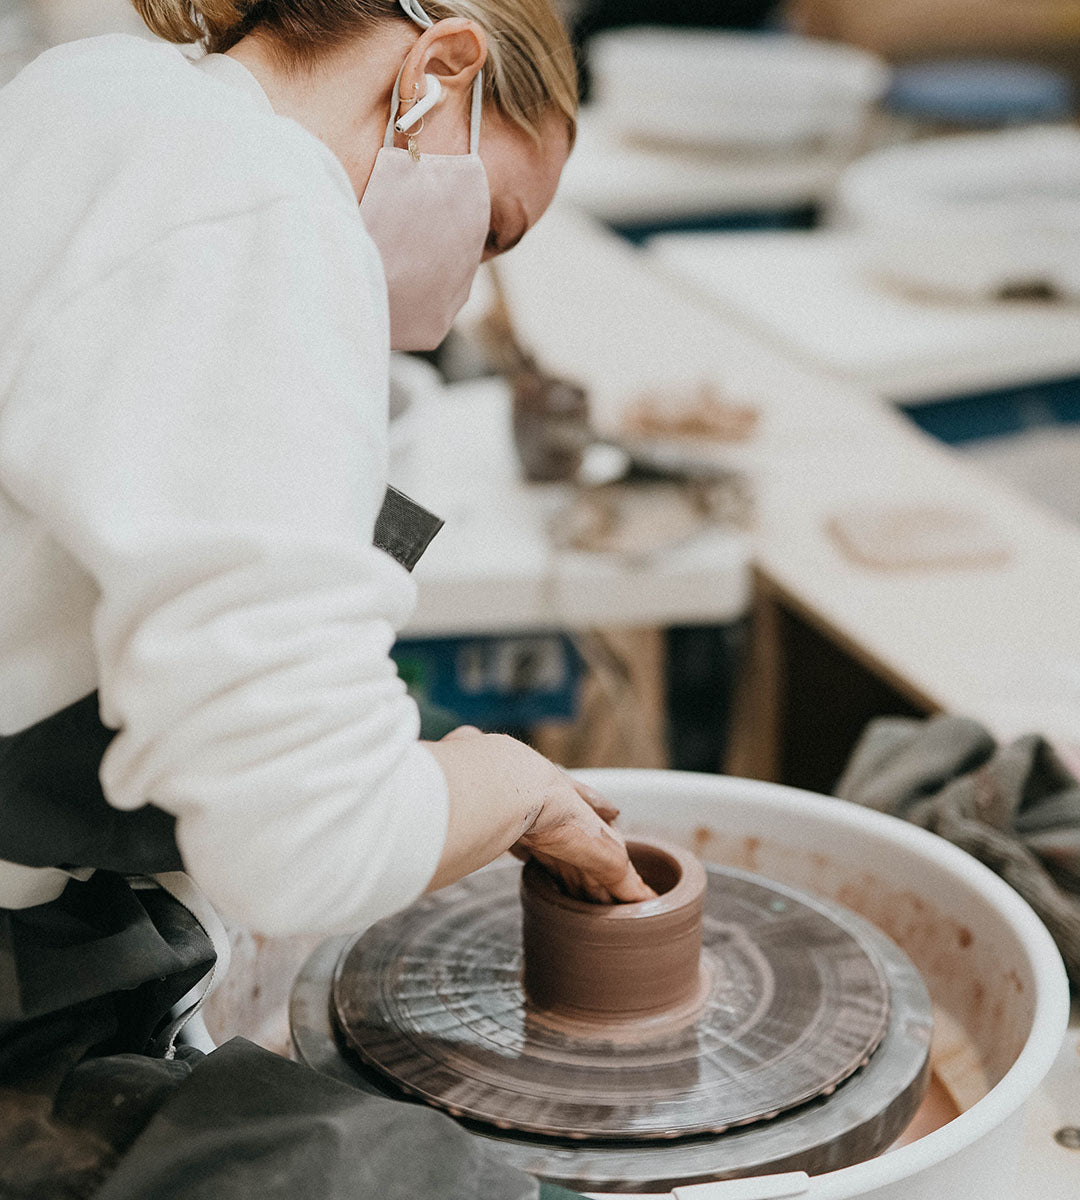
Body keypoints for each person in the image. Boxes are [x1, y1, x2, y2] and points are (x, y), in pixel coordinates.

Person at [0, 1, 653, 1196]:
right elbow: (304, 849)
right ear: (440, 65)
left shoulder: (89, 97)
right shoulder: (262, 202)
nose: (461, 296)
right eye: (495, 229)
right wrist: (501, 783)